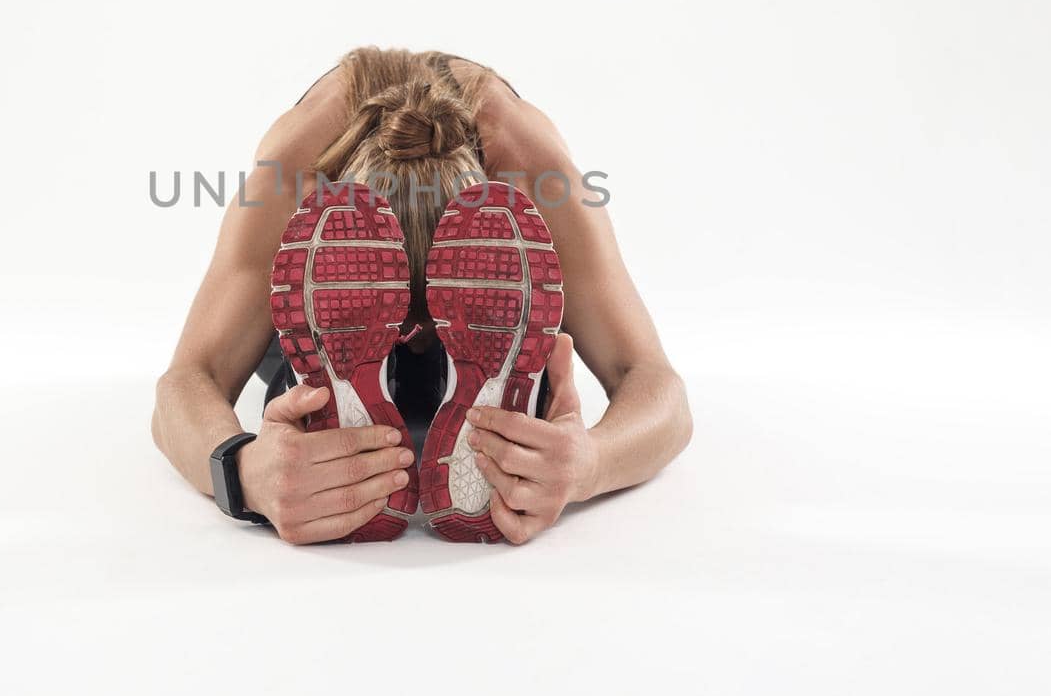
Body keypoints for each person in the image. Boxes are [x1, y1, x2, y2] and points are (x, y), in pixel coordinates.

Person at [151, 47, 692, 543]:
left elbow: (656, 387)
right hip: (325, 324)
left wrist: (589, 462)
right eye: (399, 320)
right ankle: (333, 361)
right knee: (312, 355)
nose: (411, 345)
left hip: (493, 326)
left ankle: (482, 351)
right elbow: (186, 382)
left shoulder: (532, 176)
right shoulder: (292, 179)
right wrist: (244, 471)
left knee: (512, 346)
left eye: (428, 319)